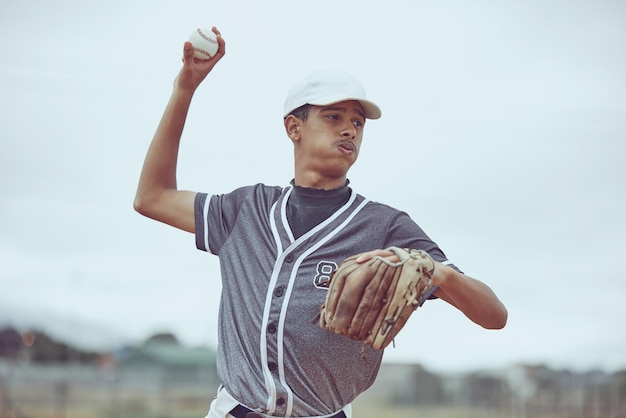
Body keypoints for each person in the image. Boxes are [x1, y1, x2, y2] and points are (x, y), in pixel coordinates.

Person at [134, 27, 507, 418]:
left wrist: (441, 275)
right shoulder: (247, 210)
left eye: (358, 123)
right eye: (333, 117)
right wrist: (185, 89)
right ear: (294, 127)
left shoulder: (384, 226)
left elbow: (494, 317)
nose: (349, 129)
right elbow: (152, 198)